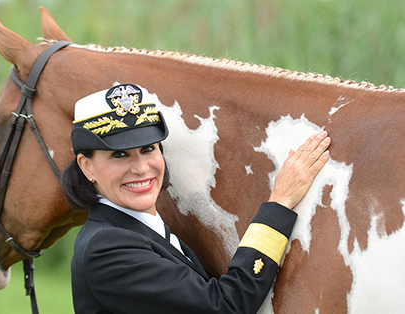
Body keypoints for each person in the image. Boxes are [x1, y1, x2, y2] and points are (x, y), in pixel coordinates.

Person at [59, 83, 331, 314]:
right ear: (87, 166)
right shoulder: (106, 248)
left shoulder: (138, 229)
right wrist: (280, 203)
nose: (141, 168)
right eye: (120, 155)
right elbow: (224, 306)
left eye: (147, 149)